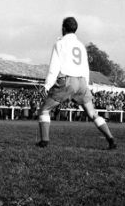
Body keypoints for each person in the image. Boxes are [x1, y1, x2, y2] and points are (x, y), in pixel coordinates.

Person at [36, 17, 117, 149]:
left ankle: (44, 141)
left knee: (44, 110)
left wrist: (47, 85)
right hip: (82, 82)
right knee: (92, 113)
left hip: (67, 81)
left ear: (63, 28)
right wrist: (86, 86)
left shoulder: (60, 43)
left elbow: (54, 67)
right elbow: (85, 68)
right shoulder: (81, 46)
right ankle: (111, 140)